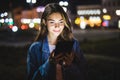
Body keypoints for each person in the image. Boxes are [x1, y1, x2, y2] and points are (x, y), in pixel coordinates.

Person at [27, 3, 87, 80]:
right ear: (45, 22)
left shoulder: (74, 44)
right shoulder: (35, 49)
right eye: (52, 22)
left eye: (61, 22)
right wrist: (49, 64)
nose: (57, 26)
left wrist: (70, 66)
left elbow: (83, 75)